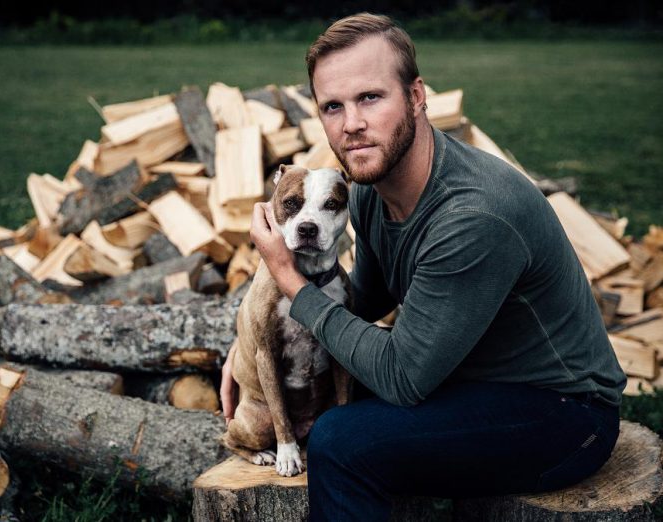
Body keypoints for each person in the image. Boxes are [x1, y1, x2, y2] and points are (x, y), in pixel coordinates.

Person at [221, 13, 626, 521]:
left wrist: (287, 277)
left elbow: (400, 377)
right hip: (464, 377)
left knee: (342, 439)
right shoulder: (367, 192)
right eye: (332, 106)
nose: (351, 124)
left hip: (560, 413)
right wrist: (259, 336)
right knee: (335, 395)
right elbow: (363, 299)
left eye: (370, 97)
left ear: (416, 96)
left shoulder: (473, 216)